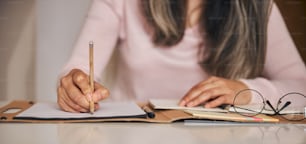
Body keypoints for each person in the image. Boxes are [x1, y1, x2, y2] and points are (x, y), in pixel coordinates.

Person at [57, 0, 306, 113]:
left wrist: (246, 91)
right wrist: (74, 84)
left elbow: (301, 86)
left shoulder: (258, 7)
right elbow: (80, 68)